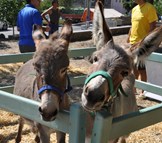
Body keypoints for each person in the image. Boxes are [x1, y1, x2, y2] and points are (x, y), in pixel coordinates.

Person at [127, 0, 158, 94]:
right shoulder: (134, 9)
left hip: (143, 45)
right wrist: (128, 38)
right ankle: (134, 89)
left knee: (142, 69)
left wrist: (143, 40)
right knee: (134, 68)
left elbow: (153, 27)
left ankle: (143, 92)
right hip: (133, 44)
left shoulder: (149, 8)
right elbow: (133, 26)